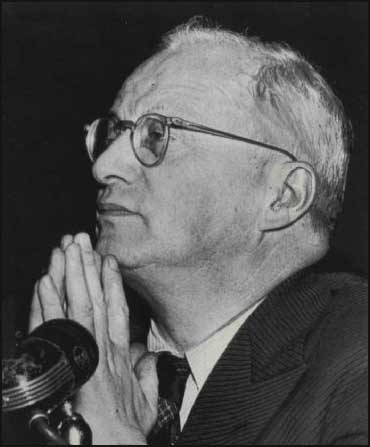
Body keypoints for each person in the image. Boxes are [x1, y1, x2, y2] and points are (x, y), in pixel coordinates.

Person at [29, 18, 367, 445]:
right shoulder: (67, 357)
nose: (103, 166)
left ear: (283, 195)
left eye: (158, 133)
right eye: (111, 134)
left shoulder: (355, 365)